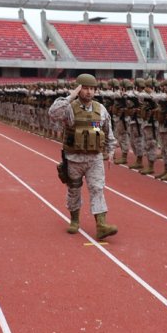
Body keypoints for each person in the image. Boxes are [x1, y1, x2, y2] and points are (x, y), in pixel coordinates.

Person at [49, 73, 118, 240]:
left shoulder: (100, 109)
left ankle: (101, 225)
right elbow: (53, 112)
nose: (89, 92)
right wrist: (71, 95)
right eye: (85, 88)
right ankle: (74, 220)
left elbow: (108, 131)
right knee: (74, 190)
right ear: (79, 89)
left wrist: (110, 152)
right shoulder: (69, 108)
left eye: (92, 89)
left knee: (97, 188)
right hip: (74, 159)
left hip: (94, 159)